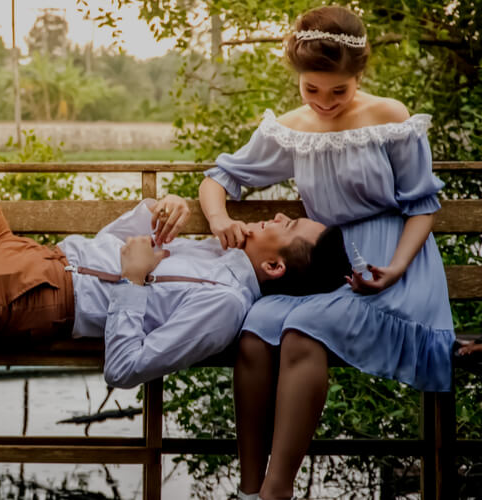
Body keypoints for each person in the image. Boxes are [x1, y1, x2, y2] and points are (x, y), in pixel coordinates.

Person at [0, 123, 350, 500]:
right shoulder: (217, 248)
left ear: (275, 268)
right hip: (28, 253)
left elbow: (127, 367)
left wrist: (134, 281)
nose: (277, 215)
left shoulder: (224, 304)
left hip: (38, 292)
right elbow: (110, 243)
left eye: (289, 225)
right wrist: (160, 212)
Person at [196, 6, 460, 500]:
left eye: (338, 90)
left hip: (395, 263)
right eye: (311, 89)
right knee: (255, 332)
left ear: (359, 74)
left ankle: (277, 491)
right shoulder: (292, 128)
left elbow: (423, 206)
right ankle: (249, 490)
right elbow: (219, 178)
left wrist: (396, 268)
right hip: (328, 268)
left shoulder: (391, 118)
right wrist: (219, 220)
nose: (324, 102)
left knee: (300, 332)